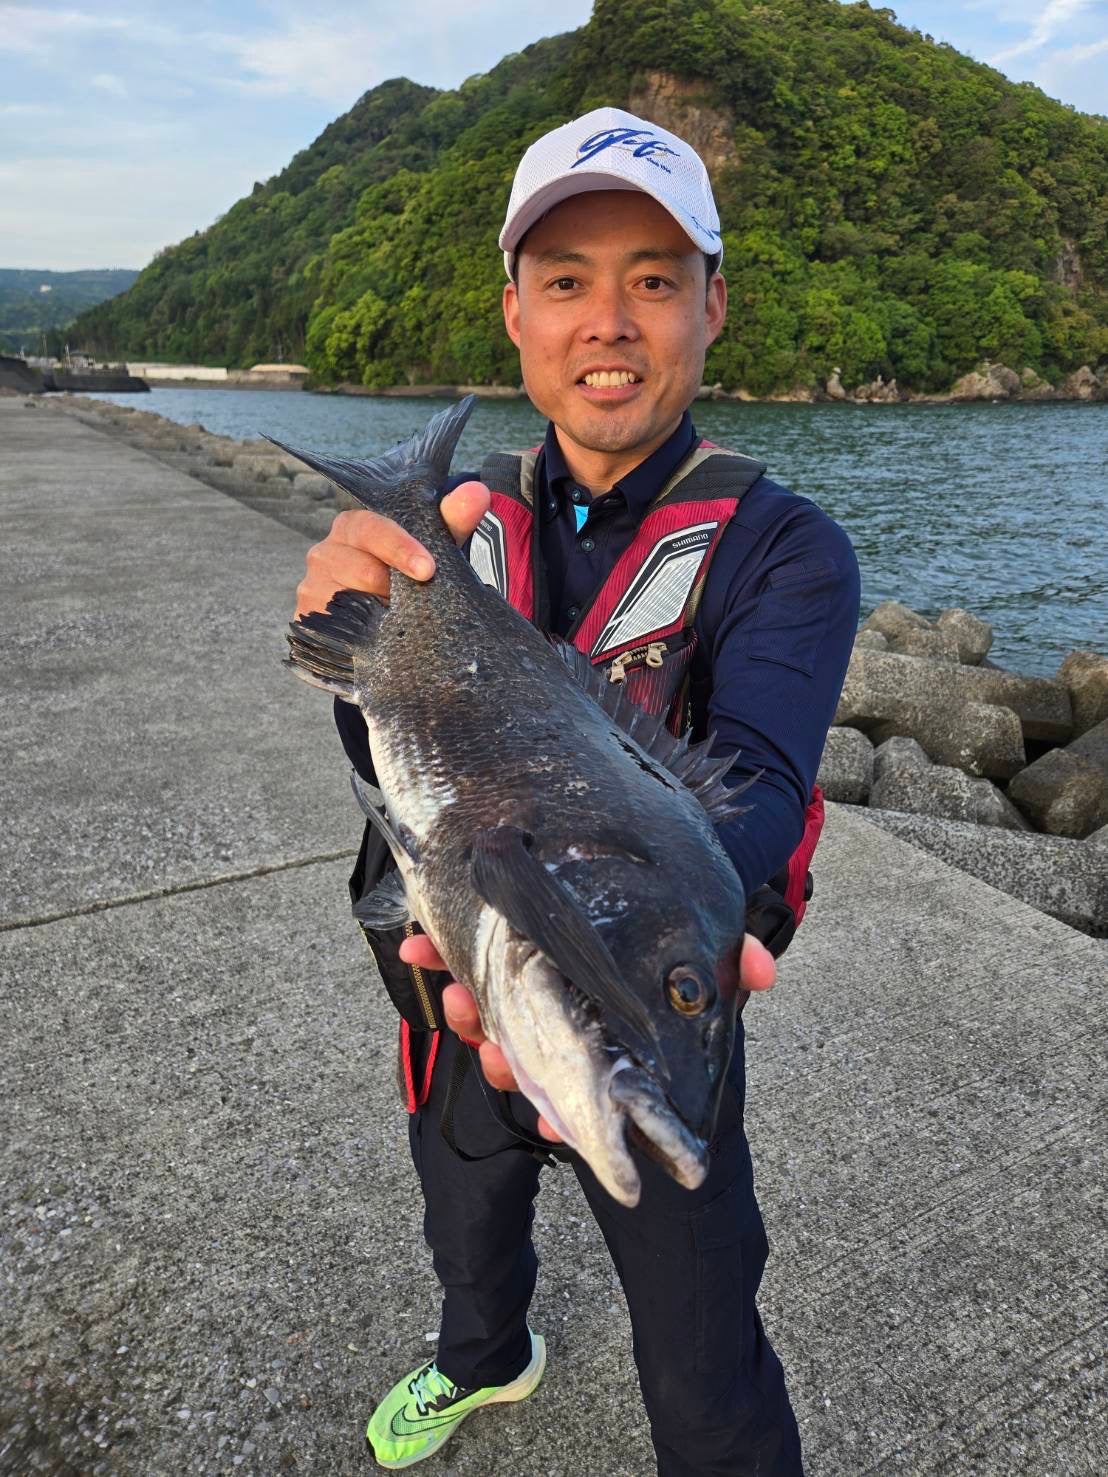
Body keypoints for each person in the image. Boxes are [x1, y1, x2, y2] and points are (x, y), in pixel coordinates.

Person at [294, 107, 860, 1476]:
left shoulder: (787, 552)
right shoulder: (457, 531)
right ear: (516, 313)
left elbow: (763, 795)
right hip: (446, 977)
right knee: (466, 1220)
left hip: (655, 997)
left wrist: (644, 933)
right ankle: (486, 1356)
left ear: (712, 307)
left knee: (707, 1367)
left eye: (655, 280)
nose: (610, 321)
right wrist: (350, 654)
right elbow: (388, 778)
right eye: (568, 281)